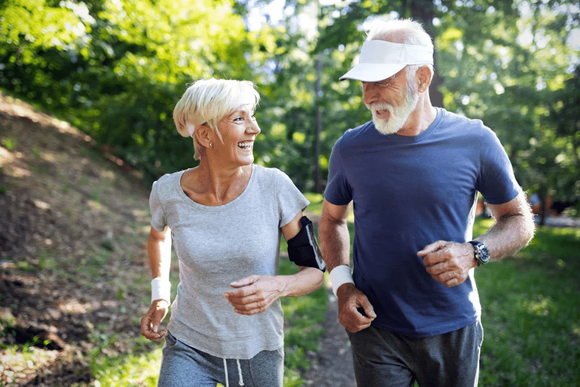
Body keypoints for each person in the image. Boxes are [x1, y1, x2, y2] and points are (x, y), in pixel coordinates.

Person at [319, 18, 535, 387]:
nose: (369, 95)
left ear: (422, 79)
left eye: (382, 81)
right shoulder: (350, 148)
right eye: (364, 83)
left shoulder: (476, 141)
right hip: (376, 327)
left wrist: (474, 252)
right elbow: (332, 220)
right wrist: (342, 285)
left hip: (454, 327)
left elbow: (518, 219)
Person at [140, 78, 325, 387]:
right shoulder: (167, 191)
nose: (254, 129)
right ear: (205, 135)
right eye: (239, 118)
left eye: (252, 117)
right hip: (188, 344)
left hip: (258, 350)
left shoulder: (275, 187)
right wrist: (160, 295)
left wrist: (278, 286)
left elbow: (315, 273)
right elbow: (159, 234)